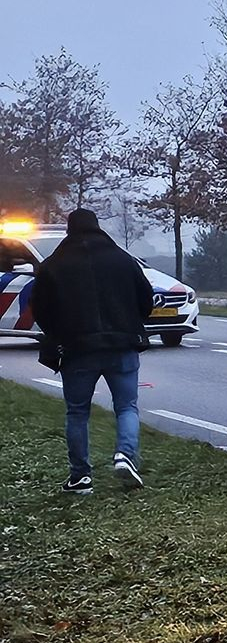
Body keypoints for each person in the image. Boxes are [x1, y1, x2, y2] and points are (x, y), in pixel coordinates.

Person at [32, 209, 154, 494]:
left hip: (76, 349)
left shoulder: (54, 265)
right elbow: (146, 300)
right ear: (98, 228)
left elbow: (40, 309)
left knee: (77, 412)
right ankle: (125, 455)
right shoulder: (123, 260)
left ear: (69, 230)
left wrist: (57, 335)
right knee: (126, 406)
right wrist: (130, 322)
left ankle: (80, 477)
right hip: (122, 345)